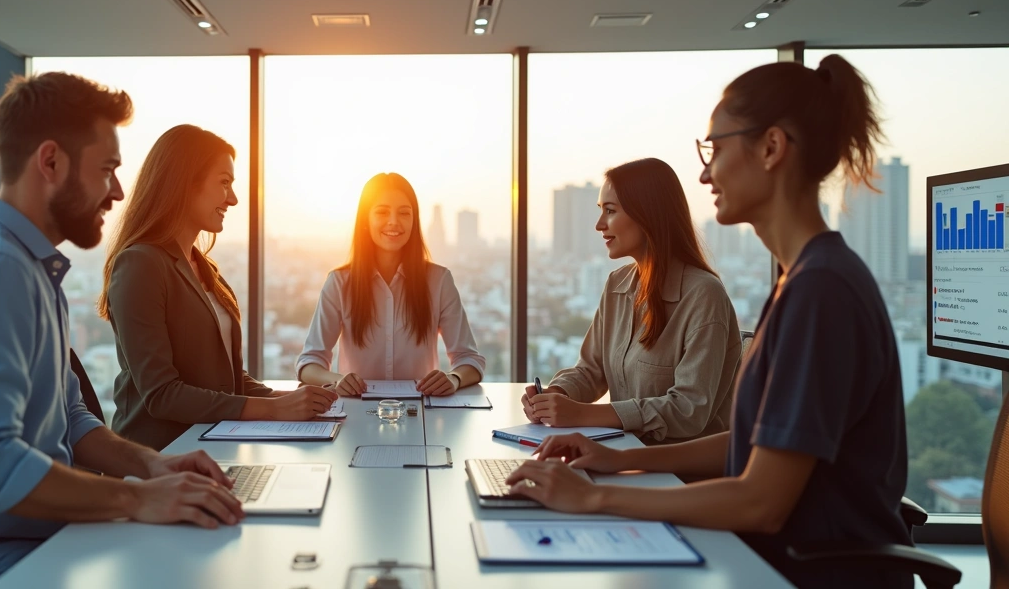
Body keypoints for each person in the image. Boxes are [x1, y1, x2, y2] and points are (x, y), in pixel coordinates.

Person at [506, 55, 912, 588]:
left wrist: (594, 496)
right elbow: (745, 444)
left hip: (801, 571)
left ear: (770, 148)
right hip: (767, 555)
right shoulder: (802, 282)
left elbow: (761, 501)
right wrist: (610, 460)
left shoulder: (820, 293)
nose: (704, 172)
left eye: (714, 149)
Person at [0, 73, 245, 588]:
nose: (117, 190)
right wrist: (136, 497)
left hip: (22, 544)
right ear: (50, 162)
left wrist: (154, 466)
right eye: (107, 169)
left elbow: (69, 419)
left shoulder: (32, 268)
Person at [98, 125, 335, 450]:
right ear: (184, 184)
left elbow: (227, 380)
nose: (234, 199)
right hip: (160, 459)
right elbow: (162, 395)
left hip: (212, 448)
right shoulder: (141, 264)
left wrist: (291, 399)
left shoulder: (206, 269)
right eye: (224, 183)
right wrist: (274, 409)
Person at [521, 158, 741, 443]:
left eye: (610, 211)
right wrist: (556, 395)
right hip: (623, 455)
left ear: (648, 214)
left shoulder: (704, 295)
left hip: (676, 473)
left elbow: (689, 410)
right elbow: (591, 370)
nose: (600, 224)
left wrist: (583, 414)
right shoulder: (617, 285)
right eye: (601, 211)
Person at [297, 173, 486, 396]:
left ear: (414, 220)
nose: (394, 221)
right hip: (355, 412)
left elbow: (470, 359)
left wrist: (453, 379)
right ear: (366, 219)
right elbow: (309, 362)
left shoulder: (439, 280)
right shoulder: (340, 282)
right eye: (382, 212)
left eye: (404, 213)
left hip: (421, 414)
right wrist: (337, 381)